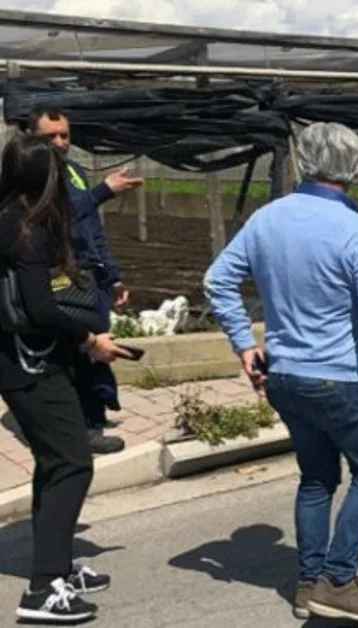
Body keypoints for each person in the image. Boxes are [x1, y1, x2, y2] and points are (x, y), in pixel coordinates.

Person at [204, 122, 358, 623]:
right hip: (339, 377)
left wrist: (246, 345)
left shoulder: (268, 220)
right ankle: (338, 579)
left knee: (316, 478)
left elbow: (217, 281)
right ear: (355, 168)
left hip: (284, 376)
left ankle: (308, 582)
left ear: (301, 162)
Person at [0, 134, 131, 622]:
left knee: (55, 463)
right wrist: (90, 339)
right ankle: (41, 592)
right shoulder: (25, 233)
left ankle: (57, 566)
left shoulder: (11, 219)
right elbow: (39, 309)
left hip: (19, 363)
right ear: (44, 177)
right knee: (73, 463)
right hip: (31, 366)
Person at [27, 107, 144, 455]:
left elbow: (92, 231)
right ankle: (82, 429)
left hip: (88, 278)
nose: (61, 142)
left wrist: (112, 276)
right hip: (60, 278)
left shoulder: (74, 172)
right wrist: (102, 192)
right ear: (32, 138)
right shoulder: (34, 180)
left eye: (65, 135)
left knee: (97, 352)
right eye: (51, 136)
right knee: (78, 352)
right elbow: (55, 219)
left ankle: (93, 417)